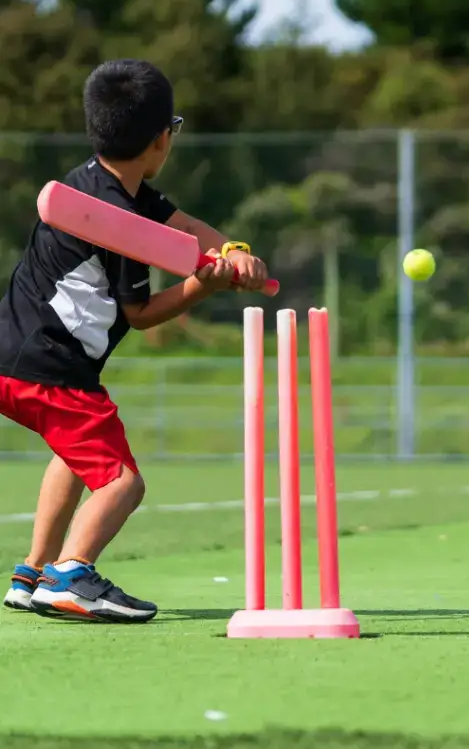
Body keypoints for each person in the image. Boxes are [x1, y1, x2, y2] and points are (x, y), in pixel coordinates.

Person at [0, 60, 268, 622]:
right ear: (162, 139)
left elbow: (188, 226)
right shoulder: (120, 226)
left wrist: (232, 249)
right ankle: (71, 574)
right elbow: (142, 315)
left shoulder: (97, 185)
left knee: (74, 458)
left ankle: (31, 573)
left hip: (15, 355)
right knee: (123, 483)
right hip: (54, 374)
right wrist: (203, 285)